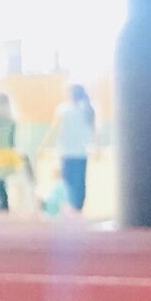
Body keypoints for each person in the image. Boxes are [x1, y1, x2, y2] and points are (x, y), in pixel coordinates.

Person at [47, 84, 97, 215]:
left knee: (68, 180)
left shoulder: (64, 109)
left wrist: (45, 145)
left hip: (66, 151)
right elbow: (94, 131)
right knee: (80, 181)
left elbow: (55, 130)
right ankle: (78, 208)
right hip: (81, 151)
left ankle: (72, 207)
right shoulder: (88, 110)